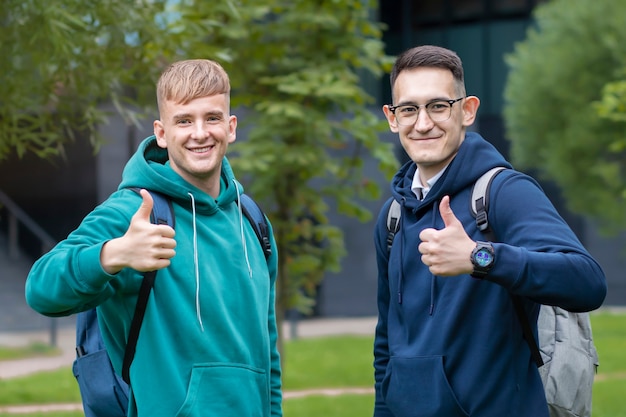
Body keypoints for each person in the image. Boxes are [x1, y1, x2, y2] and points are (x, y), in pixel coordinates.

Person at [25, 59, 282, 417]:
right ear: (161, 133)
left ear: (231, 126)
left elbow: (267, 350)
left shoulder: (253, 222)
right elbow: (40, 287)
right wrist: (113, 254)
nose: (200, 133)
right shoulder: (132, 213)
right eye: (184, 121)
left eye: (211, 118)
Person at [373, 45, 607, 417]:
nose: (422, 123)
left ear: (466, 111)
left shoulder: (503, 192)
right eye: (408, 109)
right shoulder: (393, 216)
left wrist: (478, 257)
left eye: (438, 106)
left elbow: (587, 281)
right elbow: (387, 343)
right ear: (391, 117)